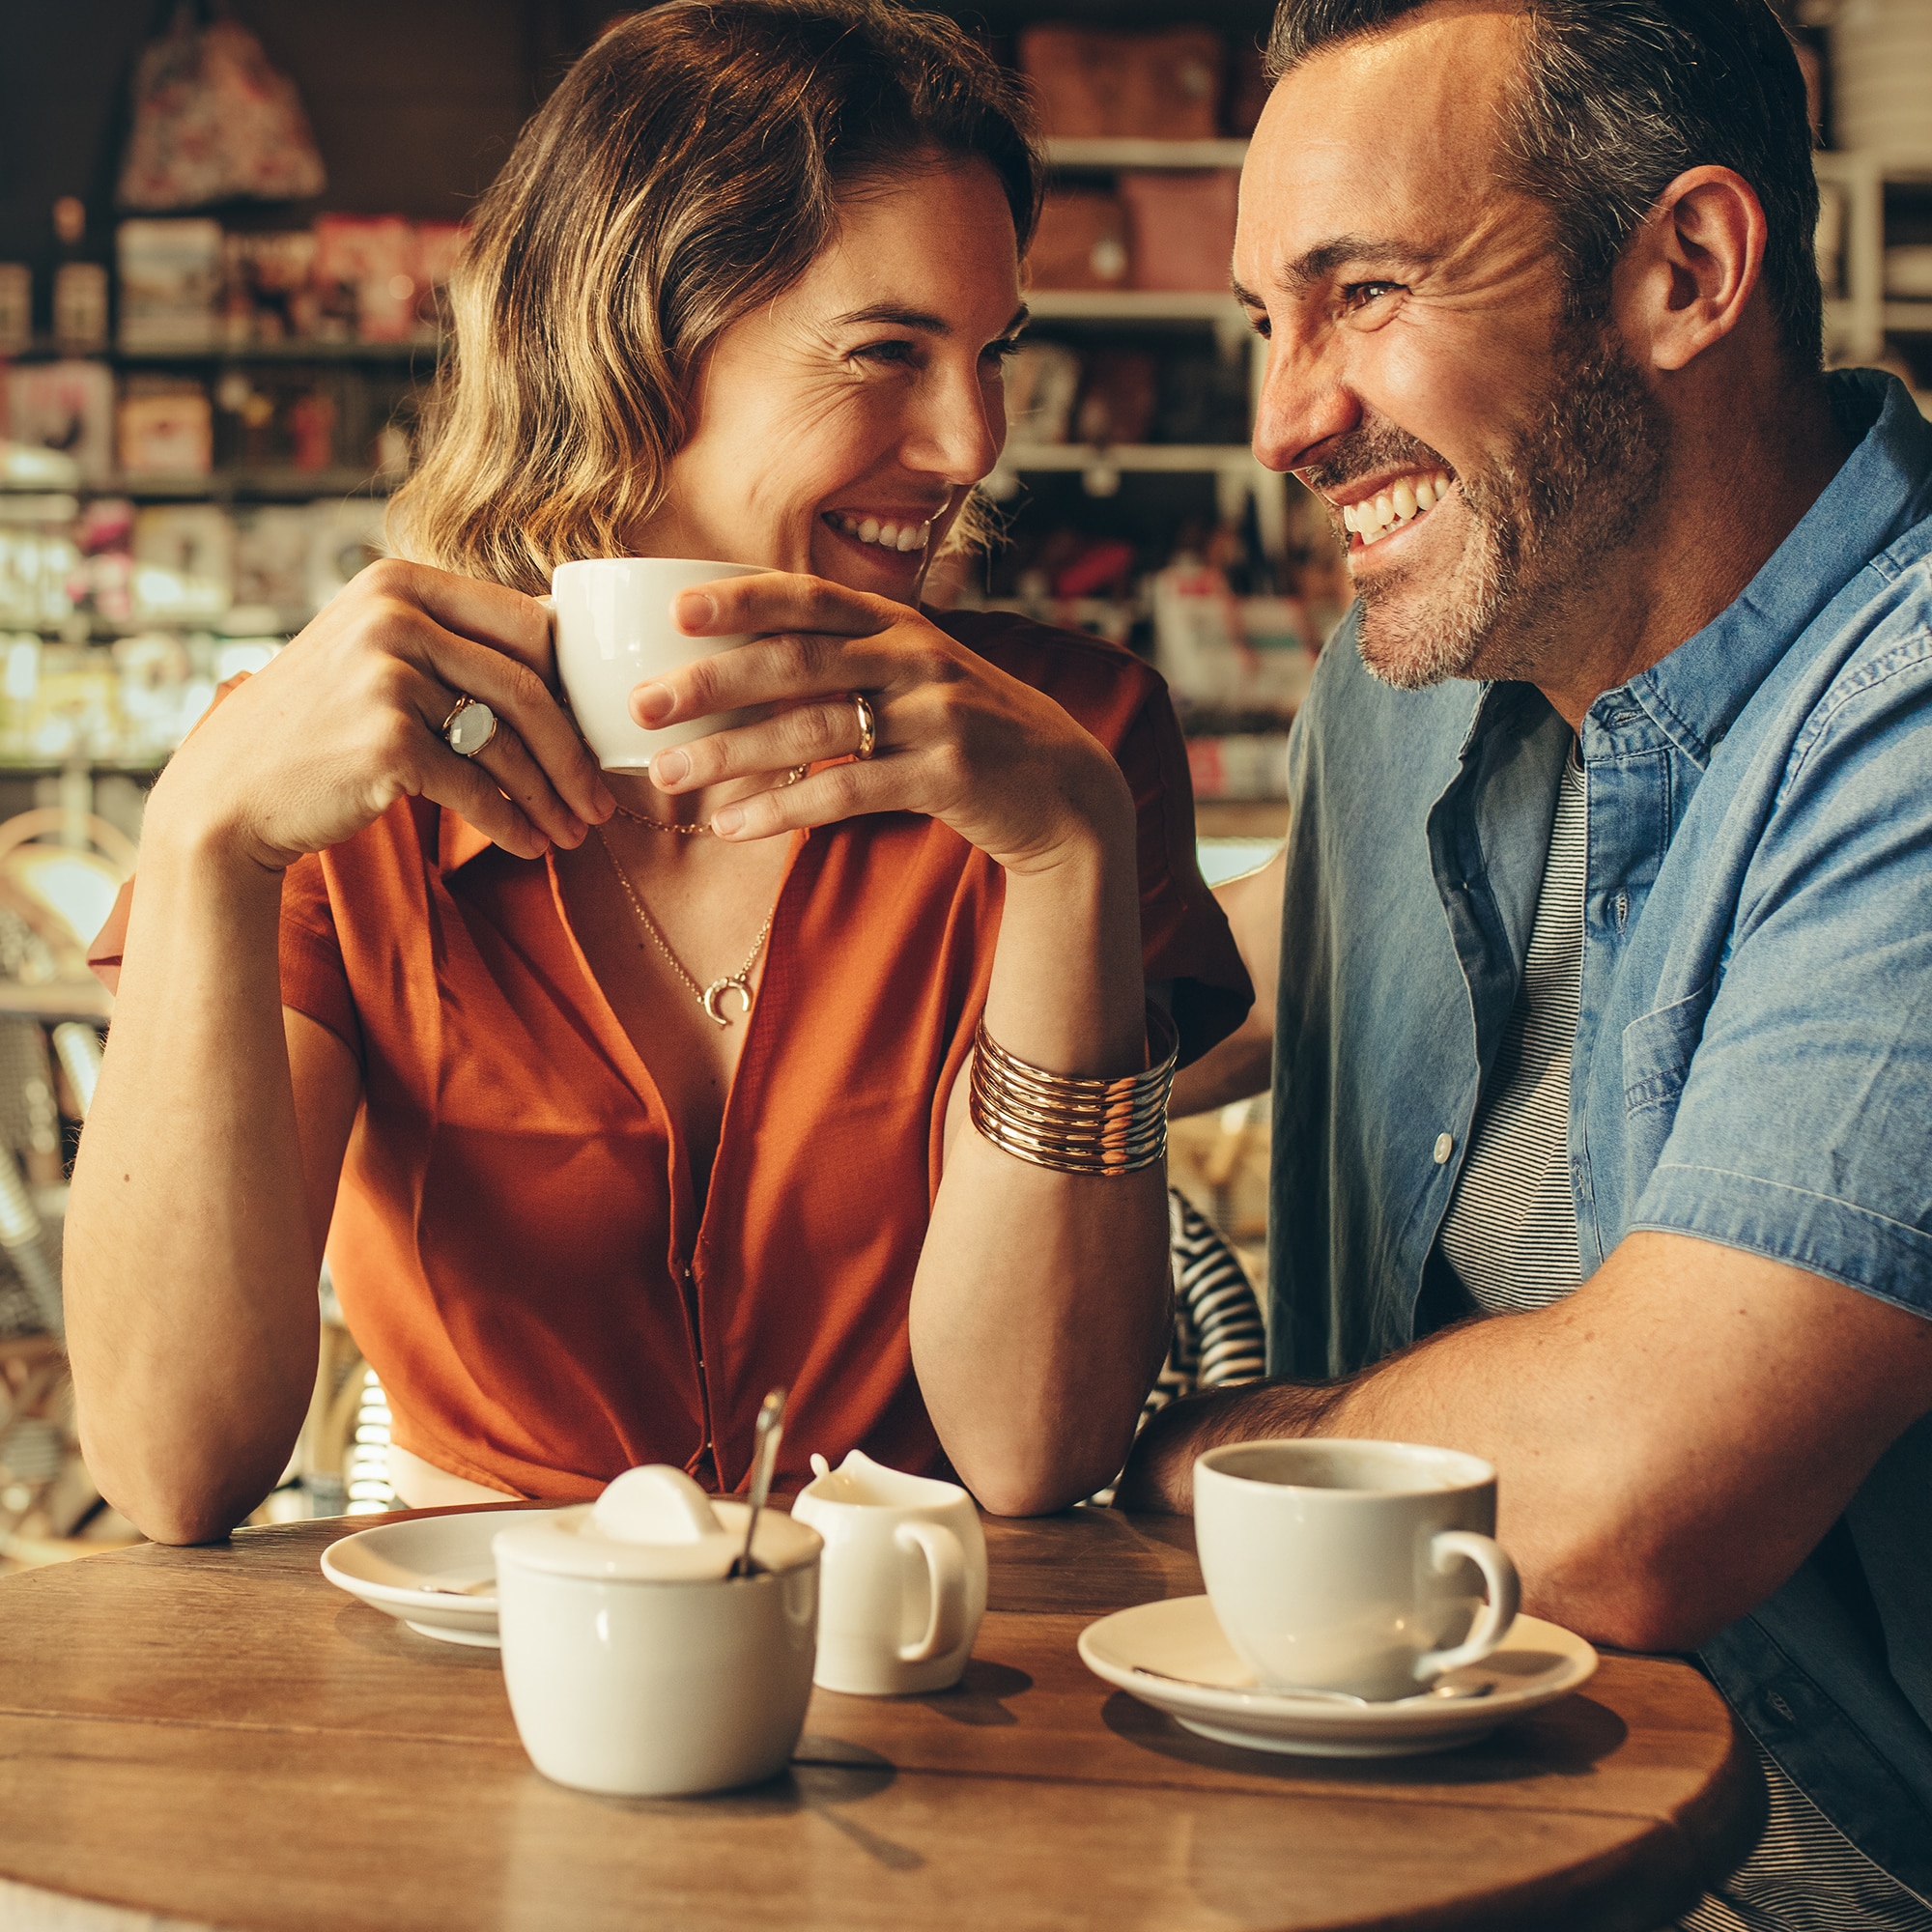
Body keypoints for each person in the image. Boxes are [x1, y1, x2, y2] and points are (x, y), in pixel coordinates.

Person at [66, 0, 1248, 1543]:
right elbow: (169, 1468)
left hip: (933, 1700)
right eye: (888, 352)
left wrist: (1072, 854)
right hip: (469, 1686)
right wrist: (206, 839)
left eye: (992, 354)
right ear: (635, 344)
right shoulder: (334, 770)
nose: (973, 441)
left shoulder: (1068, 749)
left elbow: (1032, 1447)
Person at [1126, 0, 1932, 1922]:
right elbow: (1284, 950)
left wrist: (1201, 1444)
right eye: (1268, 321)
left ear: (1685, 270)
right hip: (1428, 1817)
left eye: (1364, 294)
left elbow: (1630, 1490)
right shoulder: (1409, 669)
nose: (1285, 419)